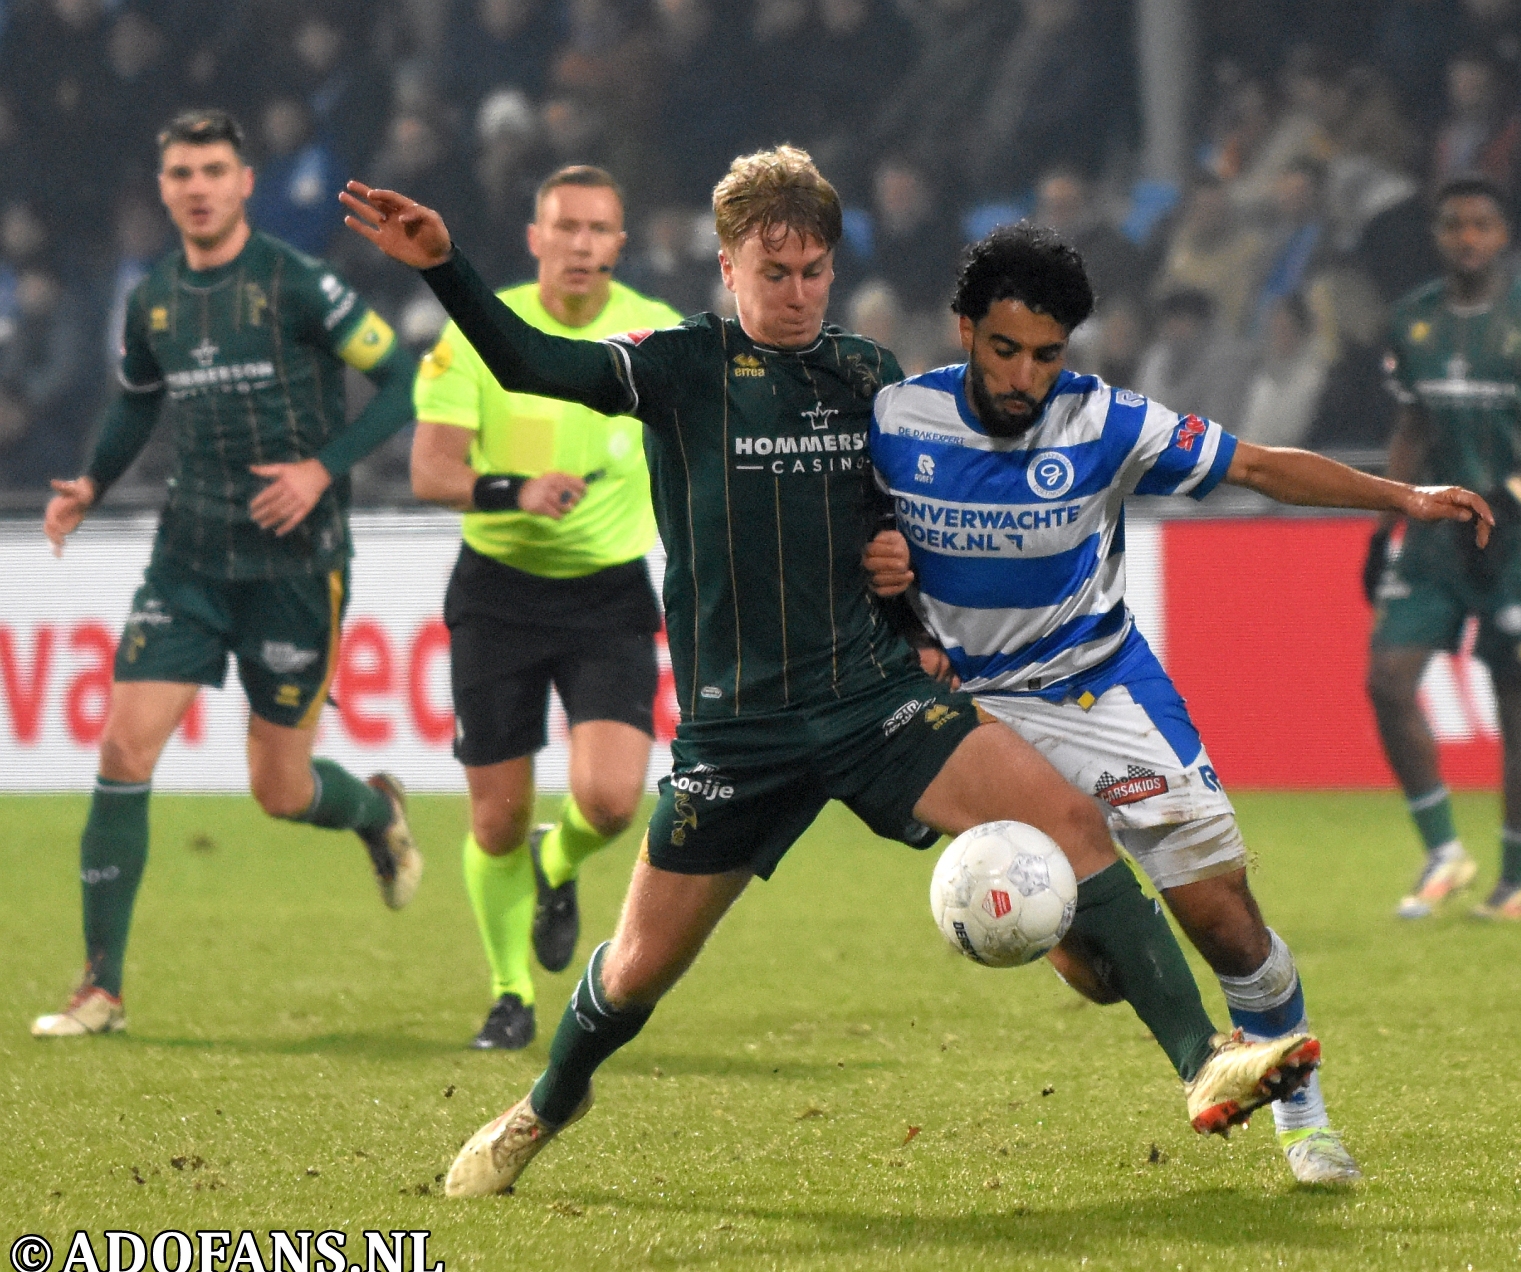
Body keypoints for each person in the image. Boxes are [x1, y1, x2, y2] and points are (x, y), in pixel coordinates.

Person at [340, 145, 1320, 1197]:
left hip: (872, 702)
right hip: (737, 733)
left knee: (1073, 822)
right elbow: (534, 363)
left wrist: (897, 579)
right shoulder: (676, 368)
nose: (799, 293)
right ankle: (544, 1105)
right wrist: (443, 265)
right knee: (632, 975)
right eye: (775, 273)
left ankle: (1203, 1059)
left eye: (814, 272)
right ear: (728, 269)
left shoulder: (867, 378)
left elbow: (893, 527)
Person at [859, 223, 1490, 1186]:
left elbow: (1258, 466)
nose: (1026, 376)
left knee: (1226, 918)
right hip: (980, 716)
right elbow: (841, 535)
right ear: (963, 330)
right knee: (1095, 974)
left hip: (1101, 689)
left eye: (1046, 356)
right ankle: (1118, 970)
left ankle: (1305, 1120)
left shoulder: (1106, 421)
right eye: (1004, 350)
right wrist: (890, 595)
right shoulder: (898, 420)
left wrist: (1402, 497)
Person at [31, 110, 420, 1038]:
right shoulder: (153, 300)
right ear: (163, 189)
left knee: (279, 791)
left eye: (213, 169)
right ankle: (101, 990)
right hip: (191, 559)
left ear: (245, 183)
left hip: (297, 565)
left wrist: (324, 469)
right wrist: (91, 479)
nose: (197, 186)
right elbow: (134, 406)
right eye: (180, 173)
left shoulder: (298, 283)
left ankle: (374, 811)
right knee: (123, 751)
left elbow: (405, 378)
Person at [411, 164, 682, 1052]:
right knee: (492, 816)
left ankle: (553, 861)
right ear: (534, 238)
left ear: (619, 244)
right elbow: (430, 471)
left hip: (608, 595)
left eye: (598, 229)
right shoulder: (480, 336)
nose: (580, 244)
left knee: (608, 801)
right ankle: (509, 993)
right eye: (564, 227)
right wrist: (512, 489)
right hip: (498, 596)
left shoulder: (659, 336)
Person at [1365, 175, 1521, 922]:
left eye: (1482, 225)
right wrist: (1382, 519)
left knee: (1517, 705)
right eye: (1454, 225)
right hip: (1438, 534)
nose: (1467, 237)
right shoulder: (1413, 323)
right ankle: (1443, 851)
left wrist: (1518, 492)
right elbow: (1413, 428)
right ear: (1438, 236)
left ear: (1503, 236)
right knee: (1387, 680)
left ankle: (1517, 881)